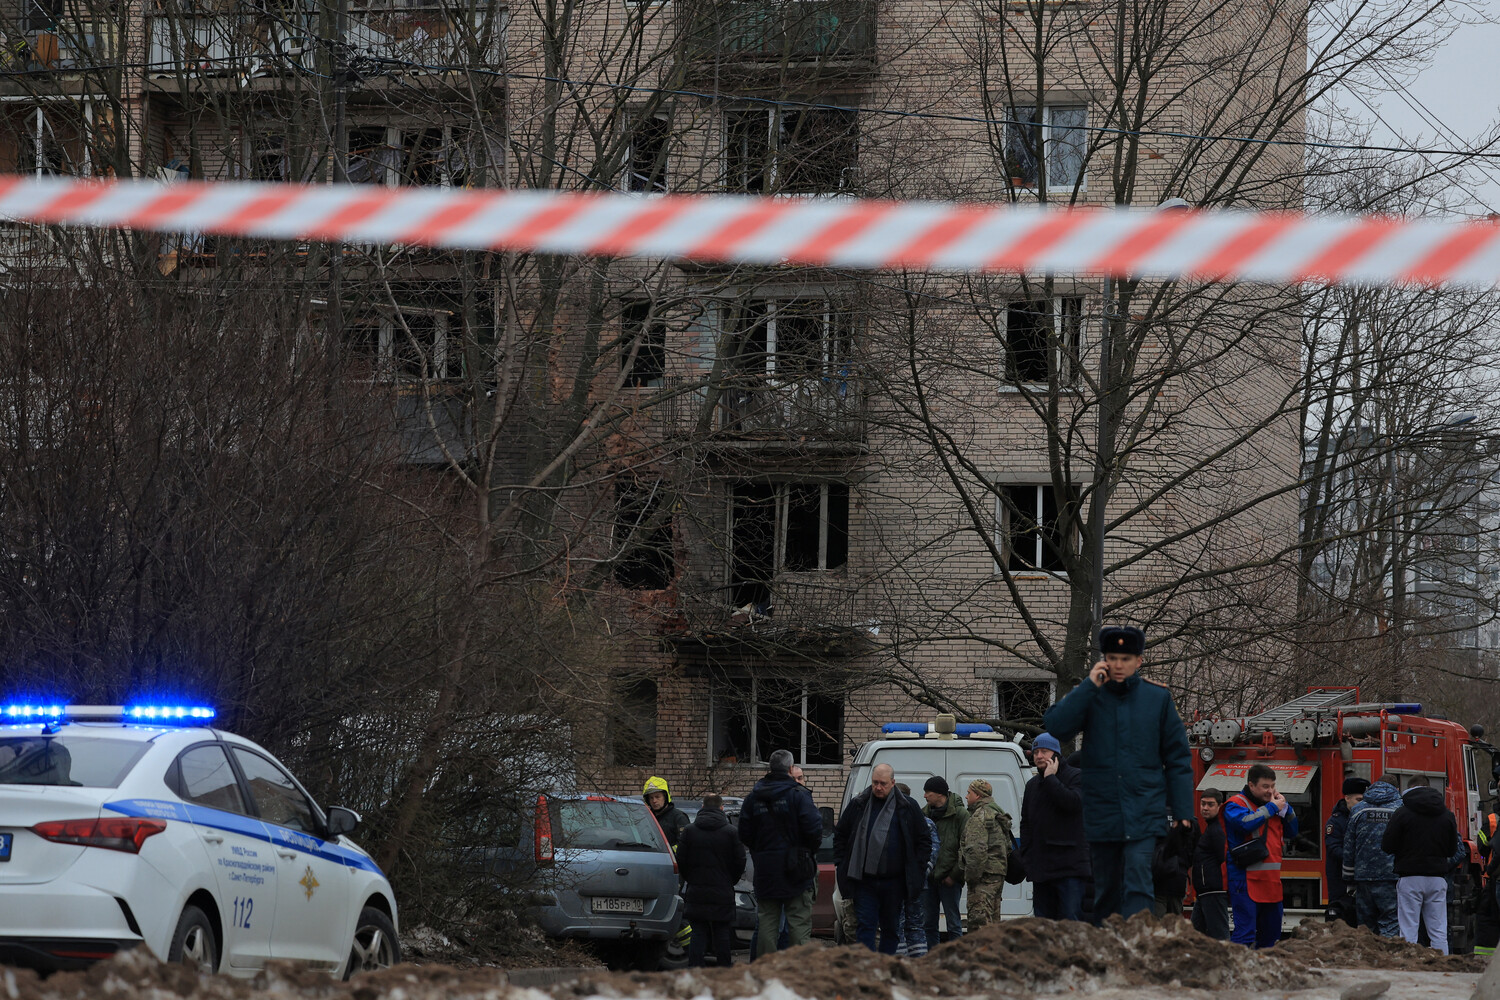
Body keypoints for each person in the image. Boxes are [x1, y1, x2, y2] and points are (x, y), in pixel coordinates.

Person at [1043, 625, 1194, 921]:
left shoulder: (1157, 699)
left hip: (1144, 810)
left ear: (1139, 661)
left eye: (1126, 658)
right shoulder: (1091, 696)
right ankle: (1108, 951)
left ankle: (1138, 949)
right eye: (1112, 657)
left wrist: (1182, 811)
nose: (1119, 664)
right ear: (1104, 660)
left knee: (1139, 881)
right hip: (1103, 811)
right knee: (1106, 889)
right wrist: (1087, 686)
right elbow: (1057, 727)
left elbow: (1178, 758)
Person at [834, 762, 931, 954]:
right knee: (865, 927)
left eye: (883, 783)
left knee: (891, 929)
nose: (878, 787)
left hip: (894, 882)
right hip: (864, 881)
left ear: (893, 783)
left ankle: (885, 969)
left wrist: (917, 869)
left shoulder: (907, 806)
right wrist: (841, 863)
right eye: (875, 782)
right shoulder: (859, 803)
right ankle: (869, 970)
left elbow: (923, 841)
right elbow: (841, 835)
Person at [739, 749, 823, 957]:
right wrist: (806, 851)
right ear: (790, 768)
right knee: (798, 922)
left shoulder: (753, 798)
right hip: (797, 867)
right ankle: (797, 971)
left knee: (768, 920)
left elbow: (744, 833)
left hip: (766, 869)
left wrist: (761, 852)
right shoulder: (799, 795)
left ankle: (766, 972)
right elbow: (814, 830)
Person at [1382, 777, 1460, 953]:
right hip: (1437, 878)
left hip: (1410, 877)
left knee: (1408, 928)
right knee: (1438, 929)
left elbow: (1387, 845)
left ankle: (1408, 965)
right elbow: (1452, 850)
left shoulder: (1402, 813)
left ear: (1409, 791)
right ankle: (1442, 966)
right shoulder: (1446, 815)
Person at [1224, 763, 1298, 949]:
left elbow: (1293, 831)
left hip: (1271, 882)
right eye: (1265, 786)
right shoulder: (1235, 804)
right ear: (1251, 785)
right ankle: (1236, 972)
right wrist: (1273, 808)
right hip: (1245, 880)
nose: (1270, 791)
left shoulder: (1273, 805)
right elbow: (1245, 824)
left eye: (1273, 786)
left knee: (1271, 935)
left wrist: (1286, 809)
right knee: (1245, 934)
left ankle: (1263, 974)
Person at [1018, 732, 1089, 921]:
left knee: (1069, 926)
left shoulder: (1077, 777)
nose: (1039, 756)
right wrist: (1027, 857)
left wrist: (1051, 779)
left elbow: (1073, 804)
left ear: (1056, 754)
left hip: (1070, 869)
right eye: (1036, 752)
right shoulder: (1032, 785)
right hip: (1042, 870)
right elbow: (1026, 823)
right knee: (1044, 927)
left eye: (1044, 751)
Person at [677, 793, 747, 967]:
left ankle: (695, 971)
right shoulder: (731, 832)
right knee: (722, 933)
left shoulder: (689, 831)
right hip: (722, 890)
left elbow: (681, 859)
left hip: (696, 890)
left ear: (702, 807)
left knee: (698, 933)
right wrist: (730, 880)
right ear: (722, 808)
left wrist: (690, 878)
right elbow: (740, 860)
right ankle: (723, 972)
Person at [1342, 778, 1401, 938]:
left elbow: (1349, 846)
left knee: (1366, 926)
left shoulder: (1358, 809)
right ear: (1396, 788)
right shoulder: (1400, 809)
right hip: (1392, 876)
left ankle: (1368, 960)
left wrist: (1349, 878)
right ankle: (1388, 958)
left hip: (1363, 877)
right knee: (1391, 921)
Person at [959, 778, 1012, 932]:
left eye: (969, 793)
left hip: (983, 877)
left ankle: (981, 955)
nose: (966, 796)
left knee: (979, 924)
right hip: (997, 874)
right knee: (993, 923)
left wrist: (971, 877)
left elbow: (976, 851)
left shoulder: (979, 816)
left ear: (978, 795)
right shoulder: (997, 812)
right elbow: (1007, 845)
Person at [922, 775, 969, 947]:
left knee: (953, 923)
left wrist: (954, 875)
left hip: (950, 880)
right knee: (928, 923)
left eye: (928, 792)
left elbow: (966, 848)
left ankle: (956, 959)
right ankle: (932, 959)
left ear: (940, 794)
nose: (925, 796)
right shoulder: (923, 814)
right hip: (929, 879)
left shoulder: (960, 815)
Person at [894, 782, 939, 957]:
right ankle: (918, 964)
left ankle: (900, 965)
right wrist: (920, 876)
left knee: (897, 925)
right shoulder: (926, 822)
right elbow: (933, 853)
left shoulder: (895, 819)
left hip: (898, 883)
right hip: (918, 885)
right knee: (915, 926)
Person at [1190, 790, 1229, 940]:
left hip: (1213, 891)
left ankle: (1228, 962)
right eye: (1203, 804)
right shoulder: (1211, 828)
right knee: (1193, 937)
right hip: (1205, 891)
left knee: (1220, 936)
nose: (1205, 808)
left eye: (1210, 804)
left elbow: (1223, 858)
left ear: (1219, 806)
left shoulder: (1217, 830)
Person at [1326, 777, 1369, 906]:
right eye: (1359, 800)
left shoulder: (1367, 818)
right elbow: (1334, 848)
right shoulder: (1336, 821)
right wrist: (1357, 858)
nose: (1363, 804)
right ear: (1347, 798)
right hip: (1340, 879)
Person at [1152, 814, 1195, 919]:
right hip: (1178, 878)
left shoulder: (1154, 815)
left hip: (1158, 880)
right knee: (1175, 926)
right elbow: (1194, 850)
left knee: (1158, 926)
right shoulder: (1187, 818)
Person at [643, 776, 690, 849]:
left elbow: (685, 844)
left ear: (665, 797)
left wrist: (668, 852)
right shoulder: (647, 817)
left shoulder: (678, 817)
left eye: (657, 797)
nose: (654, 801)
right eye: (651, 798)